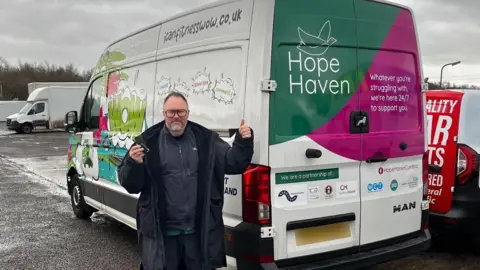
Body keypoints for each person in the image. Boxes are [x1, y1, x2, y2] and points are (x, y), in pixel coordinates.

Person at [117, 91, 254, 270]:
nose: (176, 116)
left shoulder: (206, 139)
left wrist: (242, 142)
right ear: (164, 114)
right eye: (171, 112)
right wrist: (133, 164)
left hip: (197, 232)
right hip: (162, 233)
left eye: (181, 112)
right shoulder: (147, 142)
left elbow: (232, 162)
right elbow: (130, 185)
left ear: (188, 113)